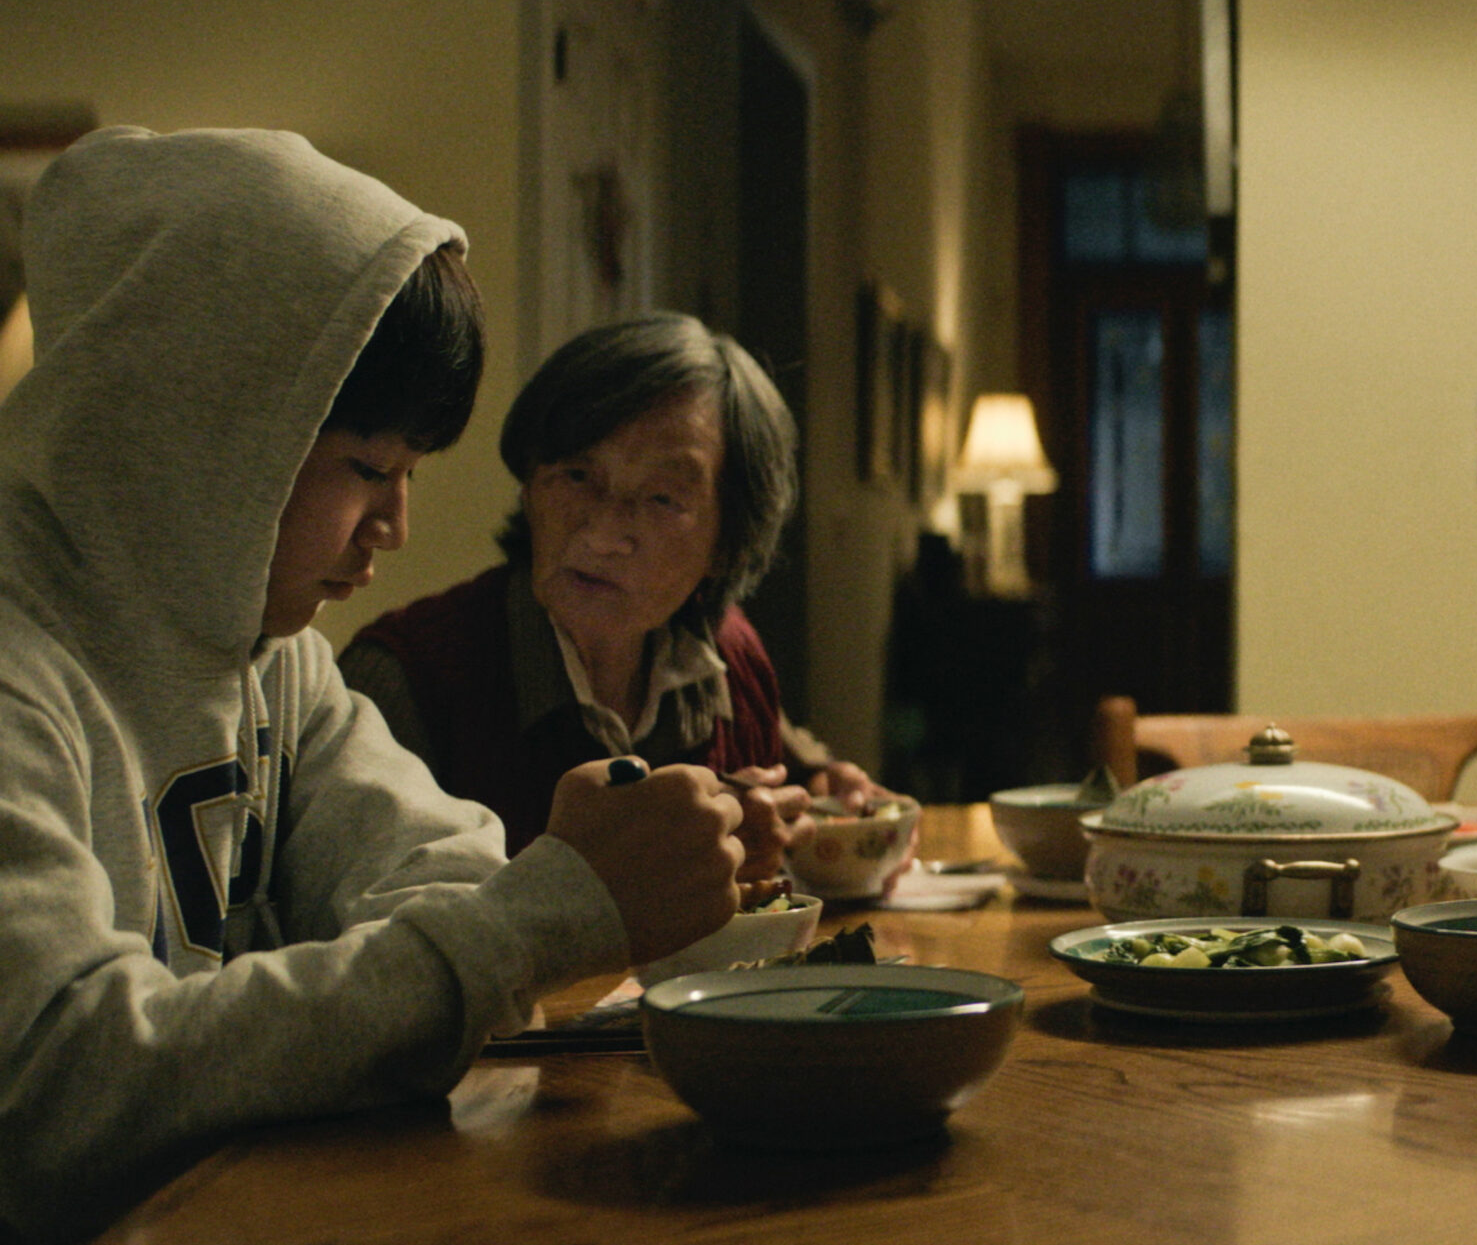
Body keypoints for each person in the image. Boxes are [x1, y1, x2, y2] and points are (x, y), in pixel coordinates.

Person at [0, 128, 787, 1242]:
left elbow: (449, 873)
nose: (397, 526)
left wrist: (472, 942)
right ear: (205, 430)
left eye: (411, 475)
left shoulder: (279, 660)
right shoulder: (21, 663)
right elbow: (54, 1098)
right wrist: (525, 929)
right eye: (370, 469)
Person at [339, 314, 891, 862]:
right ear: (530, 483)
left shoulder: (726, 657)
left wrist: (828, 795)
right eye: (578, 476)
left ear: (726, 545)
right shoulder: (405, 686)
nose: (603, 535)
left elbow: (784, 773)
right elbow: (376, 937)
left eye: (662, 500)